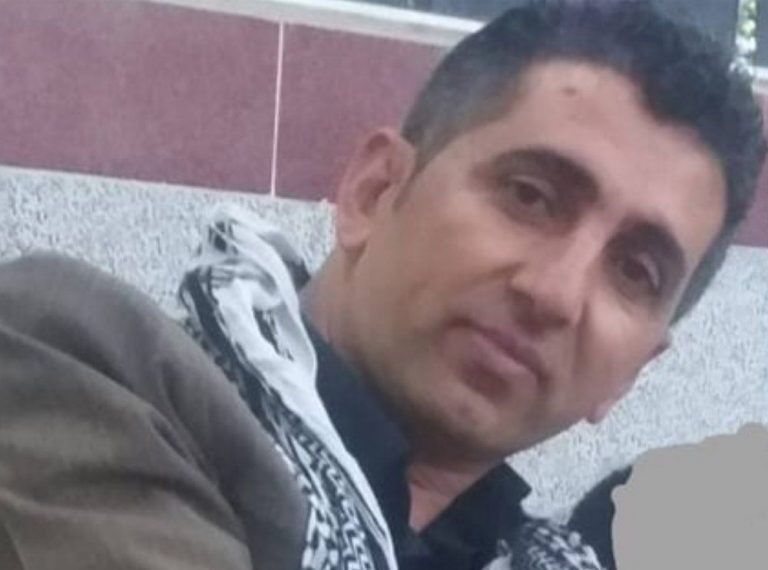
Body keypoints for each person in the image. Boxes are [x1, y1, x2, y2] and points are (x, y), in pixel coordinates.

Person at [0, 1, 764, 569]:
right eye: (530, 196)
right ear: (372, 192)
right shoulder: (90, 366)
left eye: (635, 272)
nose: (556, 293)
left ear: (629, 377)